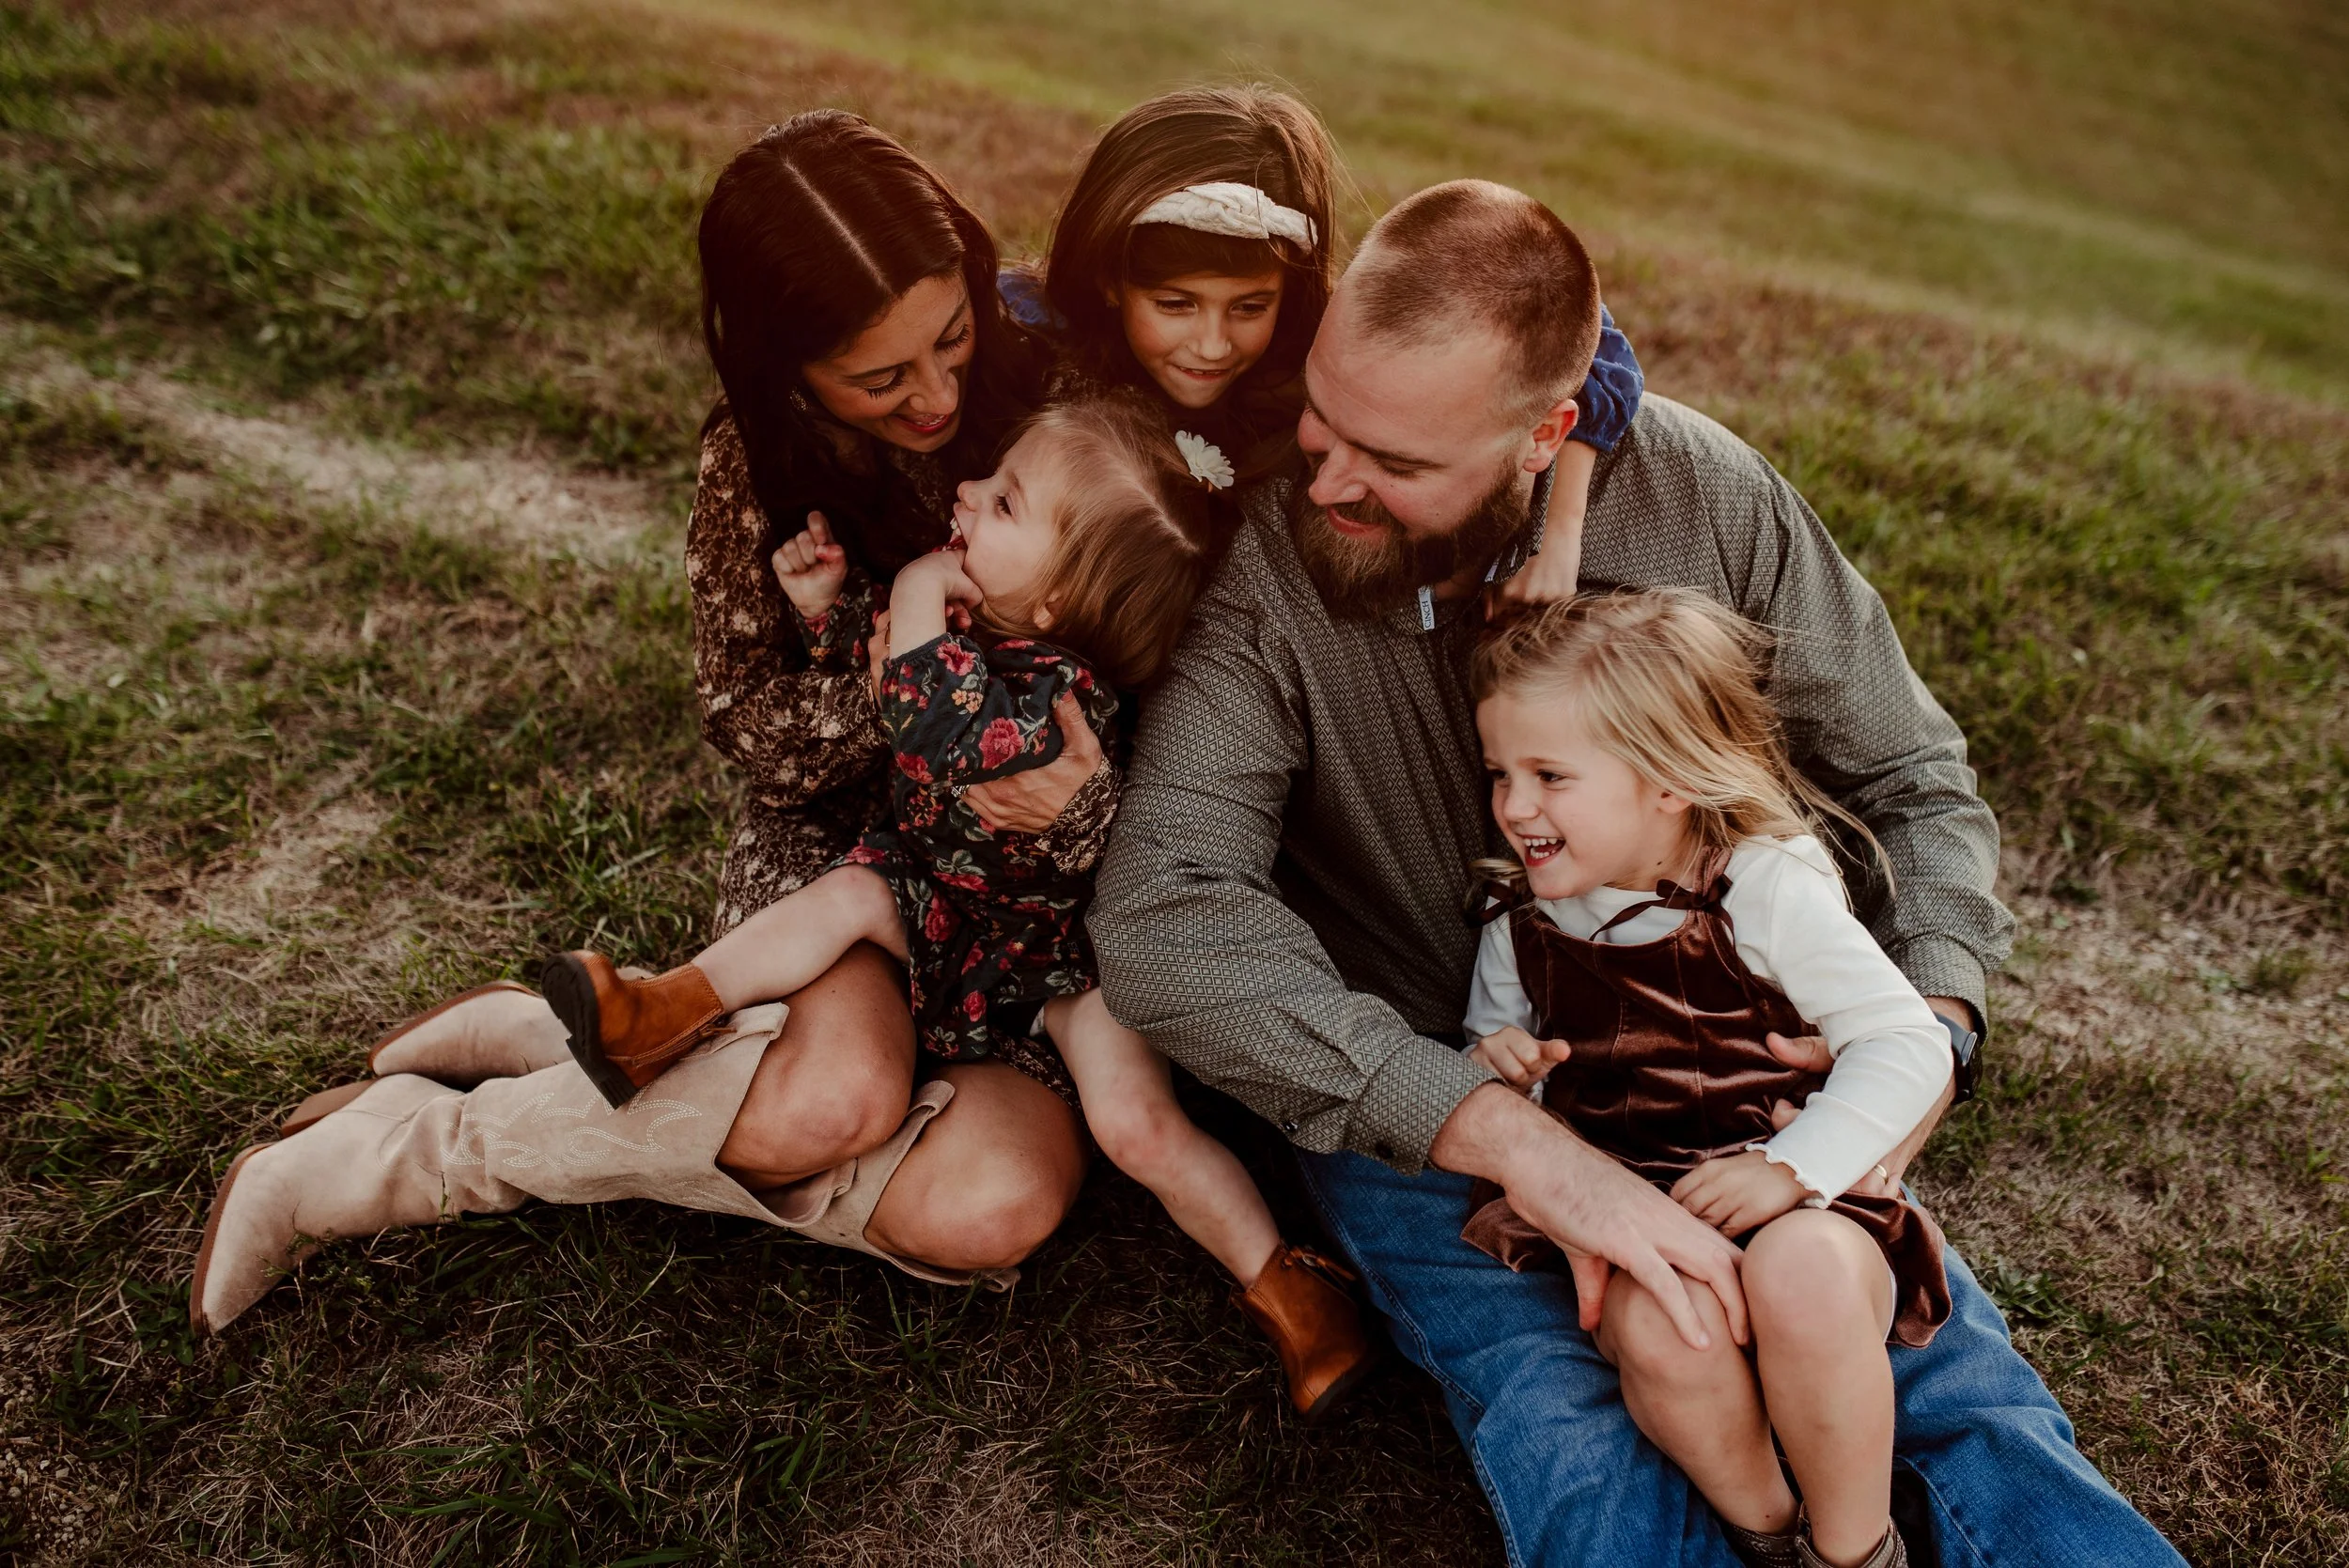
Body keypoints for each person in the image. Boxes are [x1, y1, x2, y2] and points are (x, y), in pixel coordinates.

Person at [1088, 179, 2186, 1564]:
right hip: (1435, 1100)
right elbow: (1164, 914)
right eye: (1323, 414)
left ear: (1548, 434)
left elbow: (1914, 781)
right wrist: (1514, 1144)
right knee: (1578, 1433)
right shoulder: (1272, 564)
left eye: (1395, 460)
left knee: (1949, 1394)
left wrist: (1923, 1040)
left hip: (1727, 1070)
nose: (1326, 478)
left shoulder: (1704, 497)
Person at [192, 113, 1106, 1337]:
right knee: (829, 1112)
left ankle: (551, 1044)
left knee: (992, 1209)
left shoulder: (1050, 401)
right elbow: (749, 728)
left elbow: (1145, 661)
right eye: (882, 378)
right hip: (839, 859)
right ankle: (392, 1160)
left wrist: (1071, 787)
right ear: (788, 363)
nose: (936, 392)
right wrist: (907, 698)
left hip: (1022, 909)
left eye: (952, 337)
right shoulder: (753, 460)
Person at [544, 396, 1376, 1417]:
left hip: (1058, 955)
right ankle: (663, 1007)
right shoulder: (983, 628)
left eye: (1007, 500)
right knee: (849, 892)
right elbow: (886, 664)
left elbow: (927, 709)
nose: (969, 495)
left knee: (1138, 1124)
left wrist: (919, 580)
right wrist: (827, 609)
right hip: (945, 905)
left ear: (1061, 594)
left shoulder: (1061, 695)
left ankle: (1290, 1285)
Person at [1460, 591, 1960, 1568]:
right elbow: (1495, 1059)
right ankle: (1770, 1532)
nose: (1515, 806)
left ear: (1665, 782)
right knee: (1664, 1330)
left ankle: (1857, 1550)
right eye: (1500, 774)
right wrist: (1499, 1068)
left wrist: (1789, 1166)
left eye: (1550, 775)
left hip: (1802, 1207)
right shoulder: (1518, 924)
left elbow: (1906, 1039)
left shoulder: (1763, 886)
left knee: (1800, 1276)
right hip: (1636, 1215)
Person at [1013, 84, 1647, 598]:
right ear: (1108, 279)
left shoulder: (1323, 348)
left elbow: (1580, 335)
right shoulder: (1036, 340)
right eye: (1175, 305)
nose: (1211, 345)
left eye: (1250, 305)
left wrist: (1560, 532)